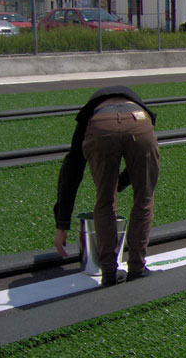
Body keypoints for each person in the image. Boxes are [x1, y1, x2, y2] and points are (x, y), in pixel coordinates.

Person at [54, 86, 160, 287]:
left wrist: (62, 224)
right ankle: (137, 267)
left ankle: (109, 273)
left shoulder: (91, 111)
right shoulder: (138, 104)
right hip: (139, 122)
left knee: (105, 200)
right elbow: (141, 164)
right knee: (144, 198)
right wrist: (122, 182)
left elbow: (73, 168)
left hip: (101, 126)